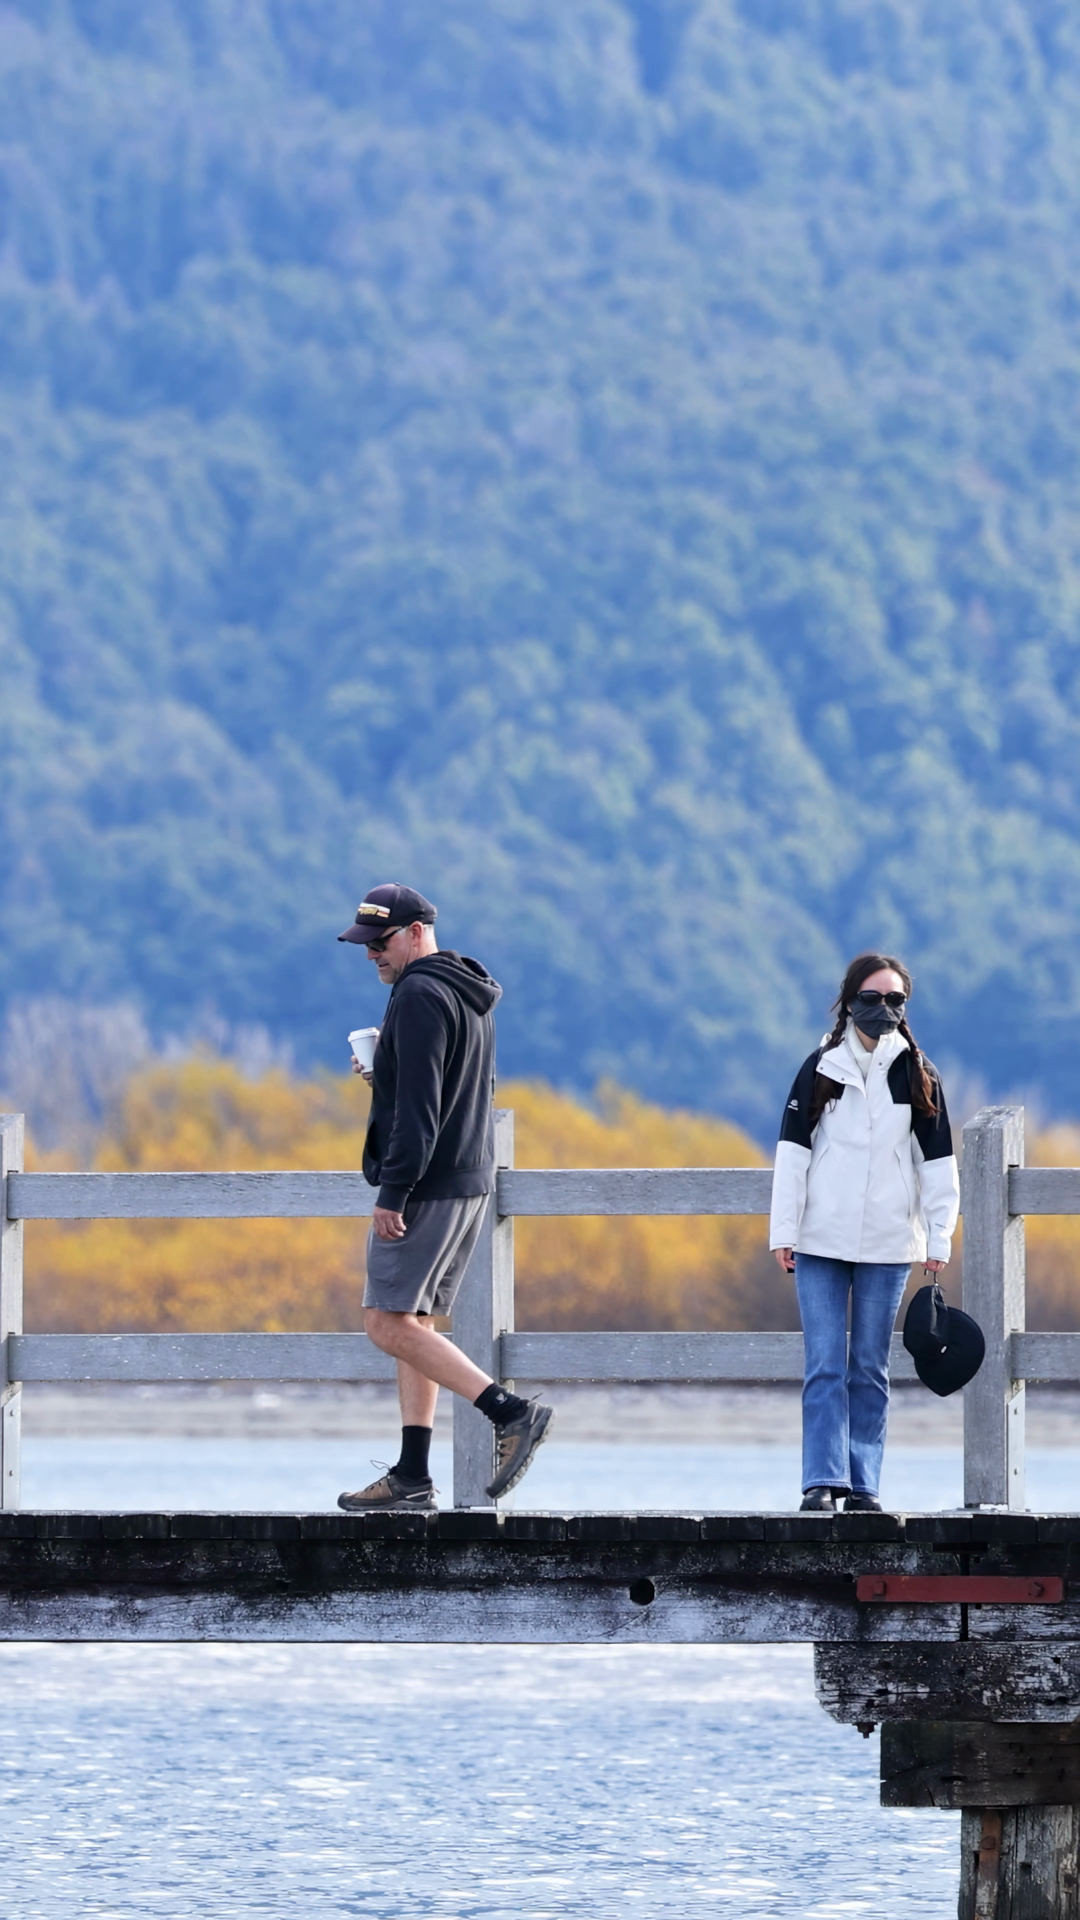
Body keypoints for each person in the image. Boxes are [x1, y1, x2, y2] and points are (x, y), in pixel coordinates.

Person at [335, 882, 553, 1510]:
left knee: (385, 1321)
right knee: (415, 1320)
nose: (371, 954)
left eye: (379, 942)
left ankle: (509, 1412)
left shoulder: (418, 993)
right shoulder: (465, 990)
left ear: (415, 933)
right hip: (467, 1175)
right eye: (363, 944)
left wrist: (394, 1191)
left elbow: (421, 1110)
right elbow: (455, 1087)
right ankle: (411, 1476)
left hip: (426, 1183)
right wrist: (385, 1072)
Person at [768, 952, 959, 1513]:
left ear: (905, 1006)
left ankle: (864, 1486)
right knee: (824, 1364)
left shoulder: (919, 1075)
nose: (883, 1009)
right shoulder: (820, 1068)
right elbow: (793, 1152)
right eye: (872, 998)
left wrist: (939, 1238)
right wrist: (784, 1231)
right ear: (850, 1001)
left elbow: (937, 1163)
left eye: (895, 999)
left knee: (870, 1367)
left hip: (888, 1243)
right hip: (819, 1240)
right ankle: (821, 1482)